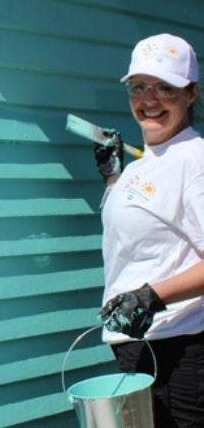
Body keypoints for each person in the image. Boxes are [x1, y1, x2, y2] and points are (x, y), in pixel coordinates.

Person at [95, 33, 203, 427]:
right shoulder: (142, 164)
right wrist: (112, 180)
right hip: (137, 343)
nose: (149, 99)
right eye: (139, 87)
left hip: (183, 349)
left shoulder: (196, 160)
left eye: (164, 88)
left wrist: (150, 297)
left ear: (191, 93)